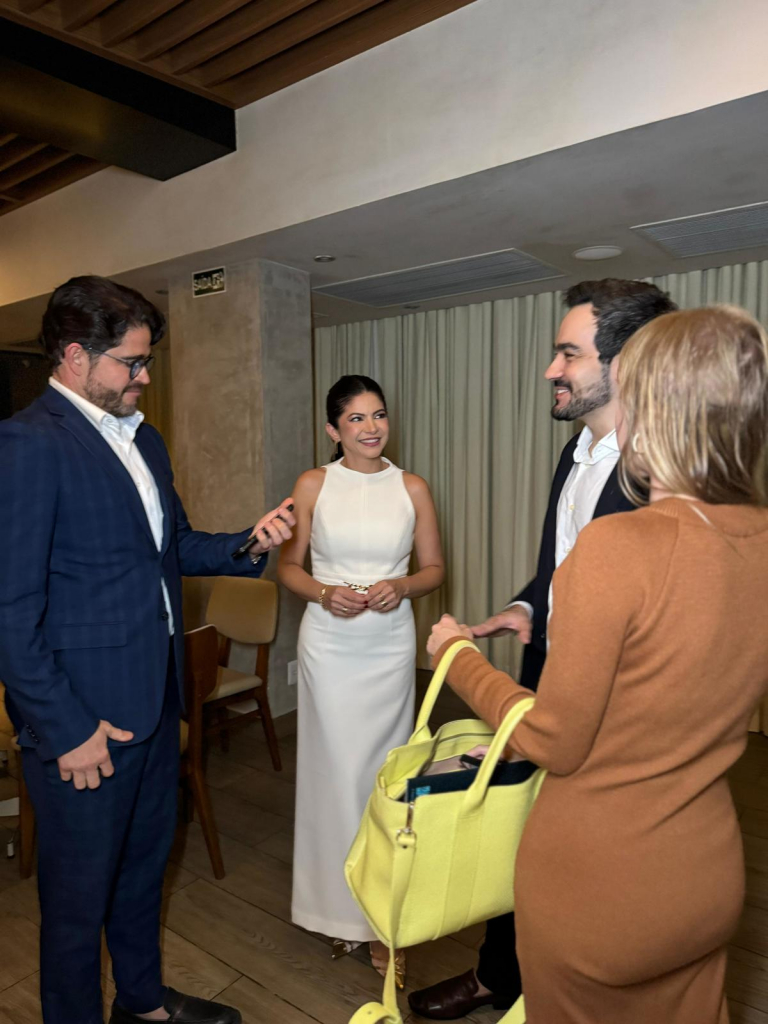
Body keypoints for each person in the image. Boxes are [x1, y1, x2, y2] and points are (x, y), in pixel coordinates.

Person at [427, 304, 768, 1024]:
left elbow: (556, 739)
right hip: (704, 878)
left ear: (652, 408)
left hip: (600, 887)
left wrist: (456, 657)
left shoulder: (620, 547)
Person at [0, 276, 296, 1024]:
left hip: (156, 704)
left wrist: (243, 544)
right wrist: (64, 730)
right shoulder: (26, 446)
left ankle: (142, 1003)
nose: (145, 376)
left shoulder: (146, 439)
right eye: (132, 363)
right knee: (75, 906)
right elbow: (10, 610)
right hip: (83, 726)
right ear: (74, 357)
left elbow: (167, 548)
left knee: (141, 873)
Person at [409, 278, 676, 1019]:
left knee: (589, 870)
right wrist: (525, 607)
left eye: (568, 353)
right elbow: (560, 566)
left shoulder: (669, 476)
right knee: (518, 833)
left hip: (618, 716)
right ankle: (500, 976)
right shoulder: (574, 453)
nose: (551, 370)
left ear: (627, 363)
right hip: (542, 678)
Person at [278, 374, 444, 988]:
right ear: (332, 429)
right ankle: (332, 906)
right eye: (356, 419)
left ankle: (384, 921)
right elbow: (289, 568)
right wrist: (325, 593)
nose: (372, 428)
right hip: (330, 644)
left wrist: (400, 585)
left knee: (383, 777)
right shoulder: (313, 484)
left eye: (379, 416)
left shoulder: (412, 486)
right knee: (334, 776)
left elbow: (432, 568)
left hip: (388, 645)